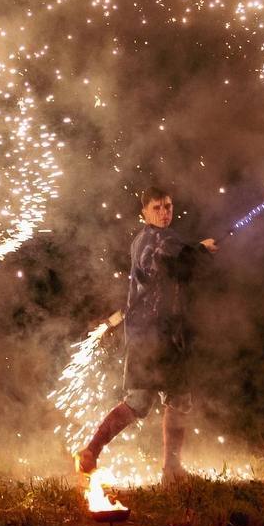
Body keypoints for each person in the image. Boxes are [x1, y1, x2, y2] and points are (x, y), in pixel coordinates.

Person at [78, 187, 217, 484]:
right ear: (144, 212)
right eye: (157, 207)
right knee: (142, 401)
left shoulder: (154, 239)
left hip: (165, 334)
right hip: (152, 336)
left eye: (168, 206)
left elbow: (180, 265)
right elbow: (174, 261)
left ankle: (171, 469)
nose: (164, 212)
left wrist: (197, 251)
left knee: (177, 398)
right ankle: (93, 451)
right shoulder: (155, 240)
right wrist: (201, 249)